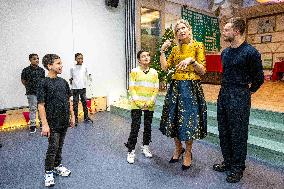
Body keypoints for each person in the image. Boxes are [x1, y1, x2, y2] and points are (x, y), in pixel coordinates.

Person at [213, 17, 264, 183]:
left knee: (238, 134)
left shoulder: (251, 52)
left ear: (236, 31)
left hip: (240, 95)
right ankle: (227, 162)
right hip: (224, 94)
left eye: (227, 30)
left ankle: (237, 168)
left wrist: (247, 92)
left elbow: (259, 78)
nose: (224, 32)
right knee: (224, 131)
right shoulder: (225, 52)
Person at [159, 19, 207, 171]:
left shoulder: (198, 45)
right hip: (176, 87)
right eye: (178, 29)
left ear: (189, 29)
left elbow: (203, 71)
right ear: (176, 34)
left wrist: (192, 61)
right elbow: (166, 68)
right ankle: (178, 148)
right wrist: (162, 51)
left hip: (191, 87)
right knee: (174, 118)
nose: (181, 31)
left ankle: (188, 153)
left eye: (183, 27)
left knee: (189, 120)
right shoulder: (174, 49)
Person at [37, 54, 75, 187]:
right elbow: (41, 105)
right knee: (53, 147)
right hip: (52, 122)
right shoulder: (43, 83)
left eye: (61, 63)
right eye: (58, 63)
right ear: (49, 66)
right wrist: (45, 125)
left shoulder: (63, 82)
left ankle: (57, 165)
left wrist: (72, 116)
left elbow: (68, 100)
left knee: (60, 145)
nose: (61, 66)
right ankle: (48, 171)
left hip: (63, 120)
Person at [124, 50, 159, 164]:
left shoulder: (154, 72)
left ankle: (145, 146)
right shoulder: (134, 71)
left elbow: (155, 89)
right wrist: (139, 103)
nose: (146, 58)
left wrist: (149, 102)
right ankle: (131, 150)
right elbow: (132, 88)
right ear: (139, 60)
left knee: (148, 127)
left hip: (150, 105)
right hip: (136, 105)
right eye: (143, 56)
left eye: (148, 55)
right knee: (135, 127)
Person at [21, 54, 45, 133]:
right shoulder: (26, 70)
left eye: (38, 58)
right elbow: (23, 80)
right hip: (31, 93)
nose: (37, 60)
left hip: (40, 93)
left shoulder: (41, 70)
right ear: (30, 60)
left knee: (41, 108)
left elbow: (43, 81)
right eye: (34, 59)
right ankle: (33, 125)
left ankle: (42, 123)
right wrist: (29, 87)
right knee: (33, 108)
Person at [70, 53, 93, 126]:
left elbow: (88, 75)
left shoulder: (85, 67)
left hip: (83, 88)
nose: (80, 60)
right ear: (75, 59)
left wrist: (90, 78)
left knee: (84, 103)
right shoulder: (72, 68)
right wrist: (71, 86)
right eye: (79, 58)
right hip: (75, 88)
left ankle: (86, 117)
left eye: (81, 58)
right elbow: (71, 78)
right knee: (75, 104)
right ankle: (75, 119)